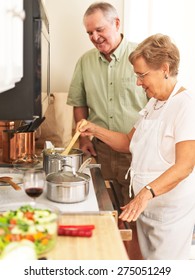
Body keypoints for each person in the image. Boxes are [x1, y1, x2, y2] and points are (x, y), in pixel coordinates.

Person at [76, 33, 195, 260]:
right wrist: (95, 129)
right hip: (146, 209)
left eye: (142, 75)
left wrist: (146, 193)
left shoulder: (187, 105)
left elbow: (185, 166)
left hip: (168, 215)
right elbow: (129, 142)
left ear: (164, 69)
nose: (138, 82)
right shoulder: (154, 102)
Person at [67, 2, 147, 214]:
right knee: (103, 213)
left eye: (99, 29)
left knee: (135, 217)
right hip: (100, 151)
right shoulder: (84, 62)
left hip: (136, 152)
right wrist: (84, 139)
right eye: (89, 32)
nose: (94, 37)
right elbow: (79, 102)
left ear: (117, 23)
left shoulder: (142, 58)